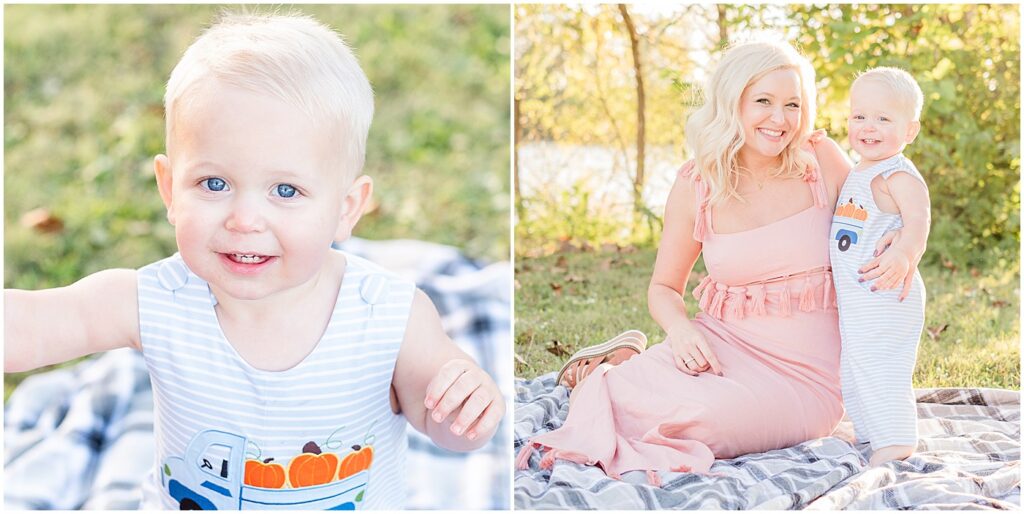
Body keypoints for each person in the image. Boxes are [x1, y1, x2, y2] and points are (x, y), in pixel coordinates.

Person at [4, 12, 503, 509]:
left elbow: (448, 424)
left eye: (285, 190)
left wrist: (464, 407)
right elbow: (34, 326)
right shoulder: (155, 300)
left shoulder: (389, 313)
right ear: (169, 188)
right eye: (214, 184)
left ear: (345, 208)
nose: (245, 219)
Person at [516, 40, 911, 486]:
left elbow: (884, 207)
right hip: (720, 347)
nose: (779, 119)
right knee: (620, 399)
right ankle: (611, 369)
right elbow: (664, 287)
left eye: (792, 104)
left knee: (702, 421)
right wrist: (681, 331)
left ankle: (622, 370)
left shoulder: (821, 160)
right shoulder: (697, 184)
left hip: (808, 377)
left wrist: (900, 234)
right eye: (763, 101)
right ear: (732, 101)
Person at [830, 67, 930, 466]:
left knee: (881, 363)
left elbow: (919, 221)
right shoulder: (861, 169)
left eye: (883, 119)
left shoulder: (898, 174)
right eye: (859, 117)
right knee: (854, 364)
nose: (868, 127)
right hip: (860, 297)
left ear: (910, 130)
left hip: (887, 293)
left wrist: (905, 251)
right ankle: (872, 431)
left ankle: (897, 439)